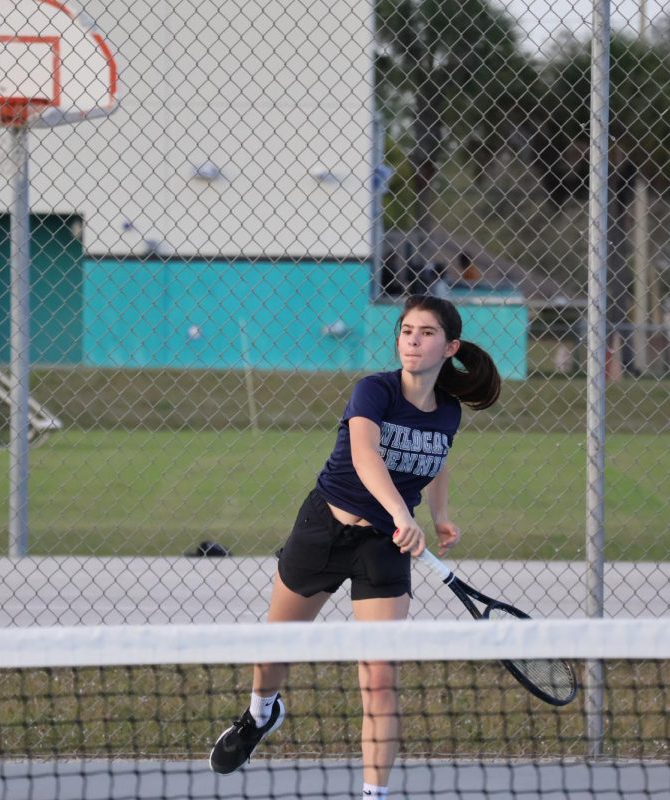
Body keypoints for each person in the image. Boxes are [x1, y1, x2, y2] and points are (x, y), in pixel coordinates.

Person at [209, 295, 501, 798]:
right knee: (276, 645)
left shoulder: (448, 411)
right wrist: (400, 514)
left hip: (383, 549)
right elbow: (367, 458)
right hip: (325, 529)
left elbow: (436, 455)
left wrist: (440, 515)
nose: (413, 339)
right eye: (407, 330)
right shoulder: (374, 392)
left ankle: (374, 796)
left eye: (426, 332)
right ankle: (261, 714)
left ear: (449, 346)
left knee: (380, 679)